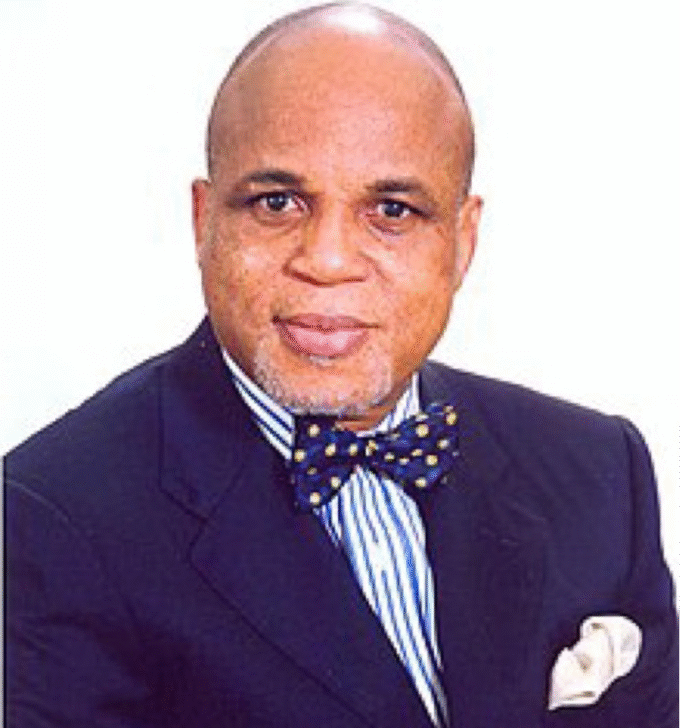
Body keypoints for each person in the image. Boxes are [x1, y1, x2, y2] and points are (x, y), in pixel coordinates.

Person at [4, 3, 678, 727]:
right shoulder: (43, 522)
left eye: (392, 210)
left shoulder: (602, 472)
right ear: (204, 222)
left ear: (462, 241)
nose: (326, 261)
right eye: (277, 202)